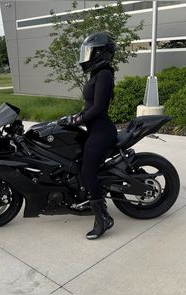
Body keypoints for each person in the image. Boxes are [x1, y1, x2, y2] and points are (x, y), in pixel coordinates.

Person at [61, 32, 118, 240]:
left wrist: (78, 119)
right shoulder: (96, 74)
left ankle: (103, 218)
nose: (87, 56)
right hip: (94, 129)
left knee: (88, 172)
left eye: (90, 51)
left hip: (102, 131)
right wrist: (74, 117)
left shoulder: (104, 74)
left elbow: (98, 108)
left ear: (100, 52)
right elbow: (89, 107)